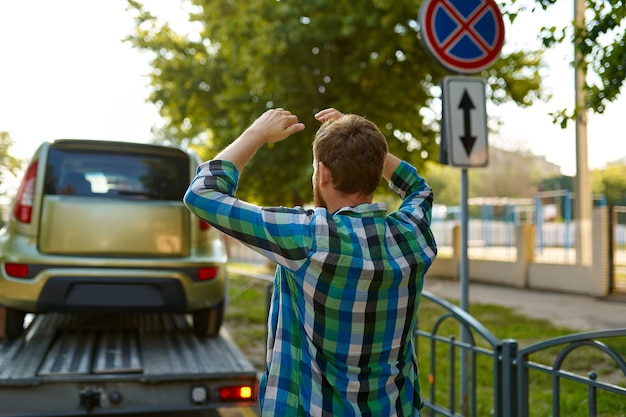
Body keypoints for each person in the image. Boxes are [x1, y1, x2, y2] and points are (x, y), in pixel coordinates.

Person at [184, 107, 437, 416]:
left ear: (324, 173)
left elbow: (201, 194)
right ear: (375, 171)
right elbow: (418, 188)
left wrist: (257, 133)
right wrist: (367, 148)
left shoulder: (309, 238)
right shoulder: (411, 236)